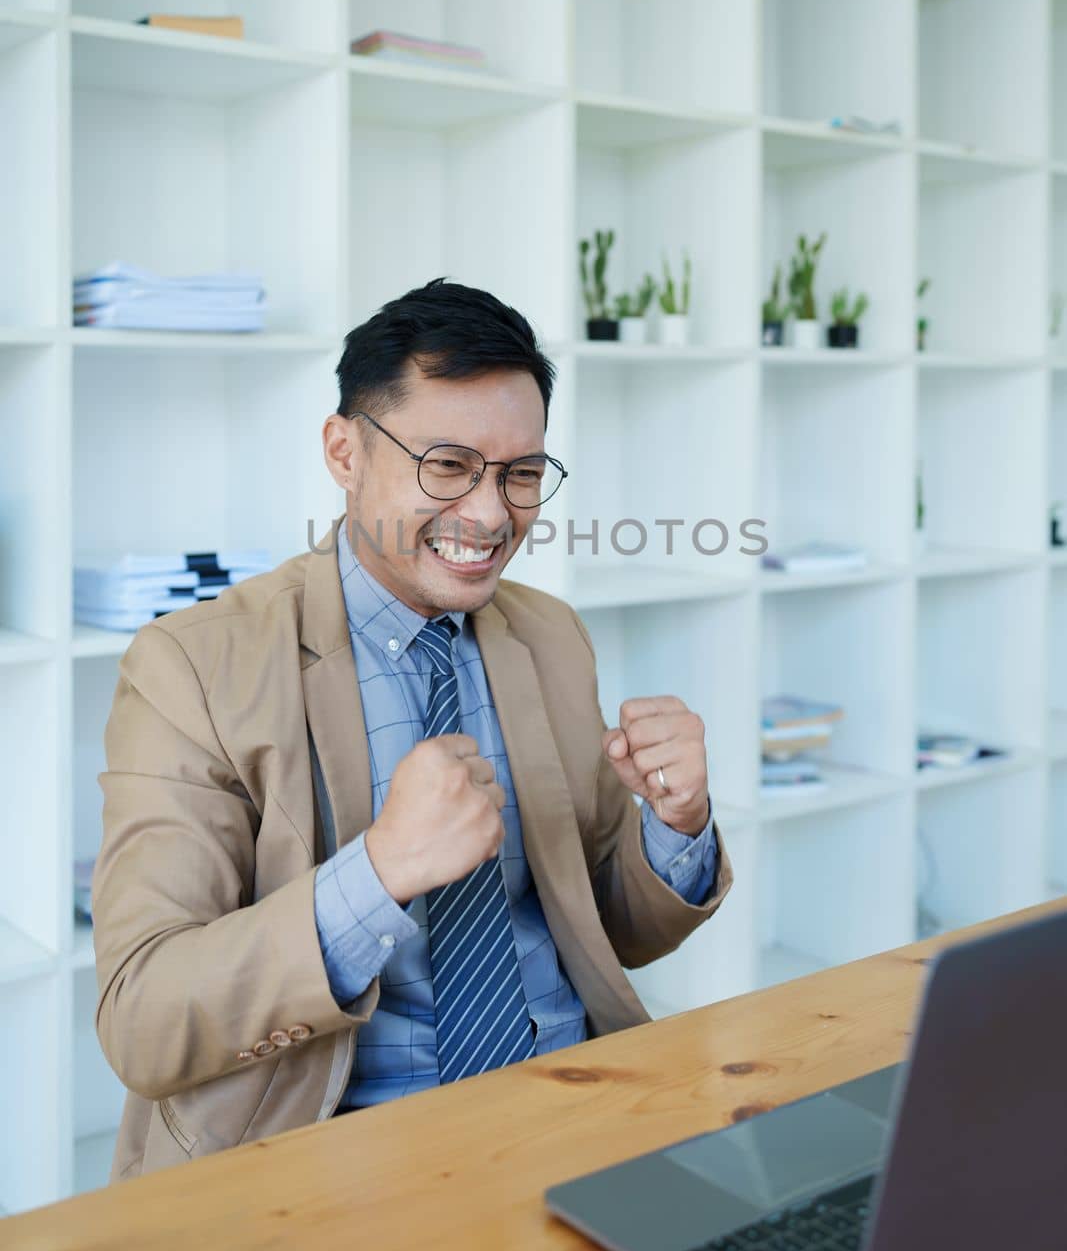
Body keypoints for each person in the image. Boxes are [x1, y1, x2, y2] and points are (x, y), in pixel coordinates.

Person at [93, 278, 733, 1182]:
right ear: (343, 452)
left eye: (519, 474)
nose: (488, 514)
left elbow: (607, 930)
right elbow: (143, 1021)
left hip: (576, 1107)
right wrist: (379, 873)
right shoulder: (191, 665)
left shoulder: (549, 634)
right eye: (446, 465)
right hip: (334, 1151)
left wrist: (675, 827)